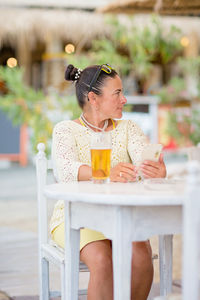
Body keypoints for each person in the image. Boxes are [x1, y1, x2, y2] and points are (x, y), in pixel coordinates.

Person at [50, 63, 166, 300]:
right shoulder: (65, 130)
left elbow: (143, 158)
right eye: (117, 93)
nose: (124, 99)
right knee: (103, 261)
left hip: (119, 214)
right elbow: (65, 169)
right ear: (93, 98)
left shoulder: (128, 129)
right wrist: (104, 172)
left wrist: (156, 169)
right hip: (76, 216)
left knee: (141, 252)